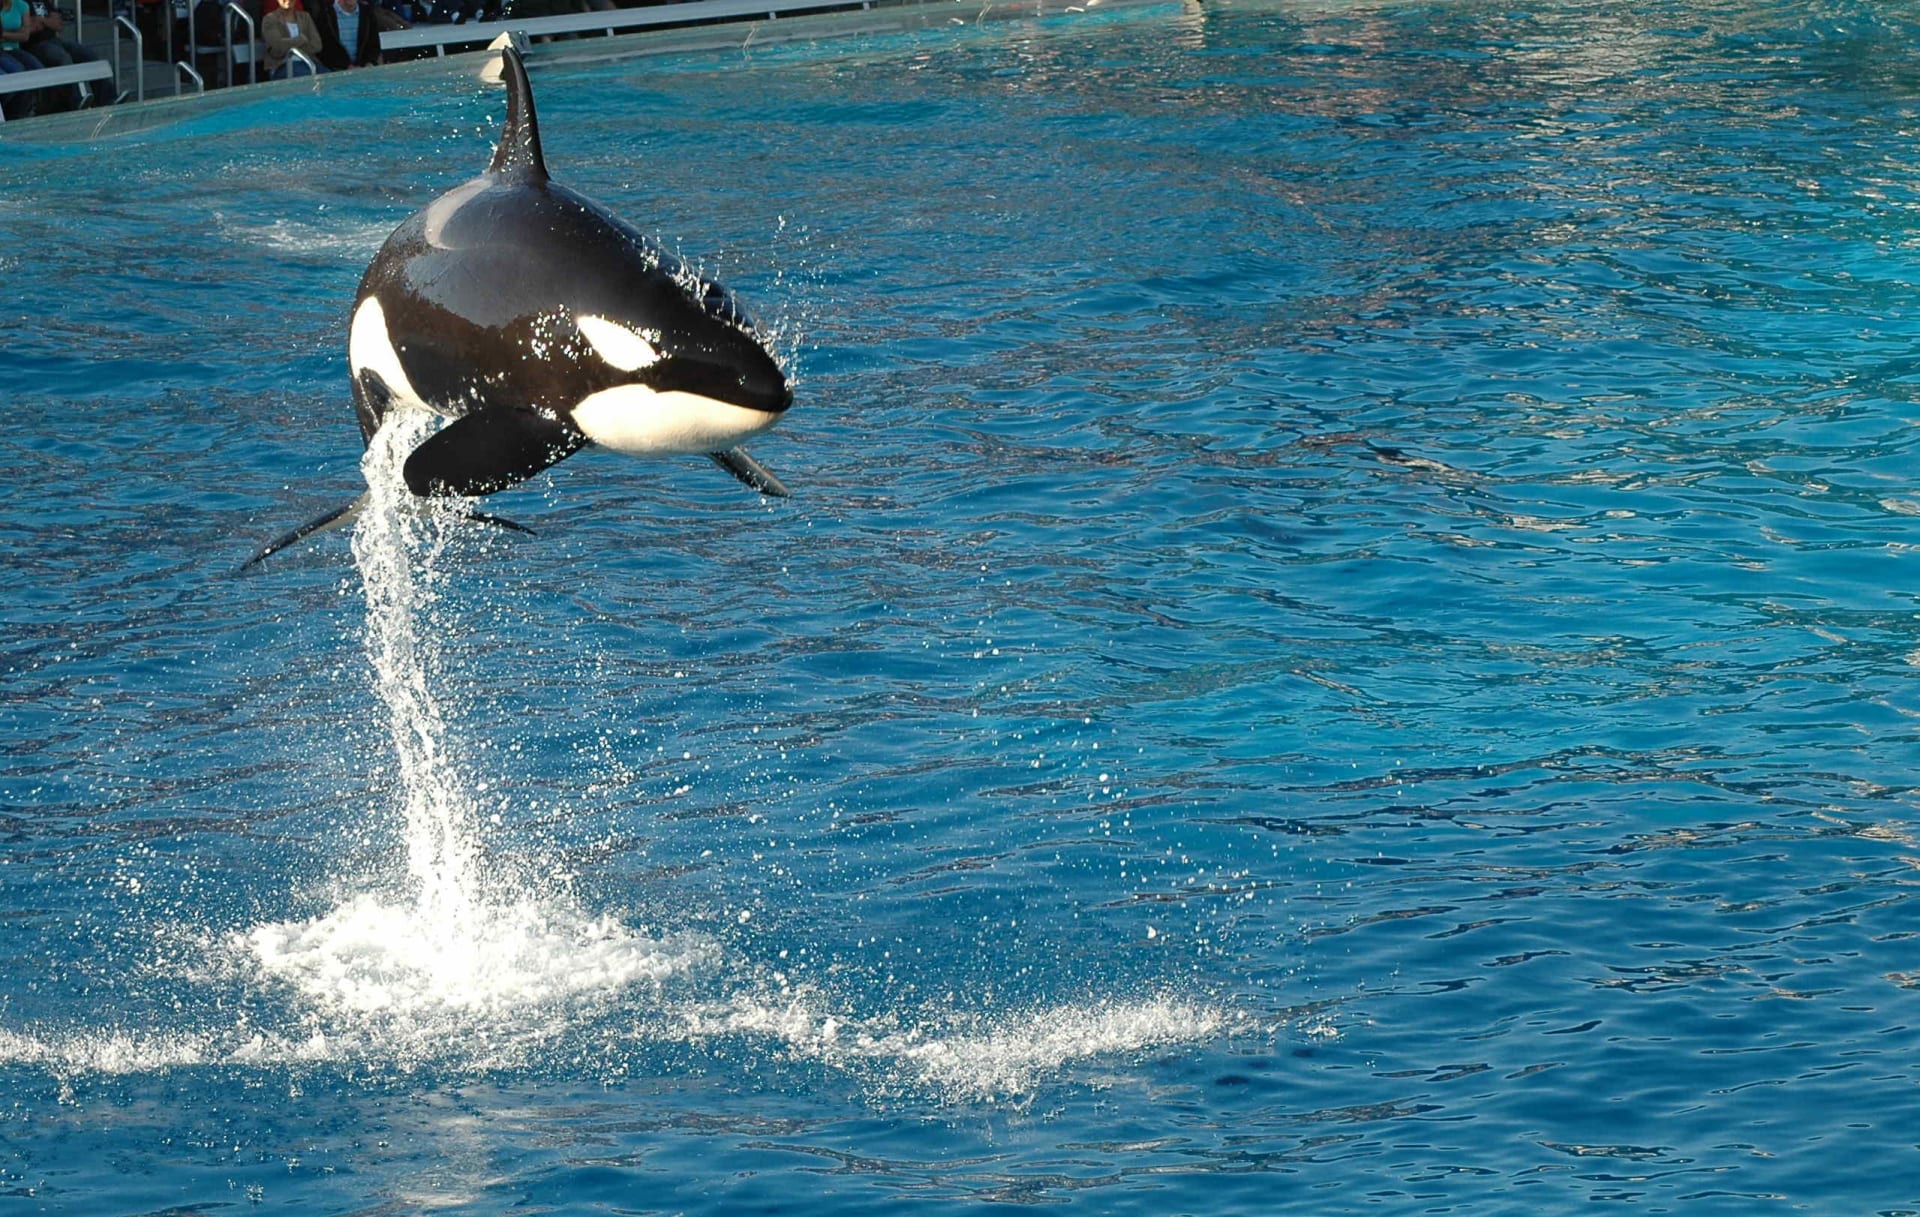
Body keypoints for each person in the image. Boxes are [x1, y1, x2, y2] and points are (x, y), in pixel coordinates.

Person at [21, 0, 103, 109]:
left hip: (54, 40)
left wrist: (41, 20)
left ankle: (107, 99)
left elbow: (58, 24)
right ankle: (78, 100)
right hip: (34, 44)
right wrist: (47, 21)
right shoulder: (21, 3)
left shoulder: (44, 2)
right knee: (62, 58)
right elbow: (26, 29)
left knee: (88, 54)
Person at [0, 0, 45, 119]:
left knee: (39, 70)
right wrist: (14, 33)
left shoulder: (21, 5)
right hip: (2, 51)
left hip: (14, 49)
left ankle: (27, 111)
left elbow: (25, 35)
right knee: (16, 74)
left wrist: (4, 34)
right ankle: (12, 115)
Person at [261, 0, 326, 77]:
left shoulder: (305, 17)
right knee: (305, 75)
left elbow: (317, 45)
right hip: (282, 66)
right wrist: (301, 39)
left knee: (331, 78)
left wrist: (288, 46)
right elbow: (277, 49)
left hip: (308, 62)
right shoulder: (270, 19)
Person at [309, 0, 377, 70]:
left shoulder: (367, 12)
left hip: (364, 70)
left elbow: (374, 45)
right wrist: (346, 66)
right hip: (335, 70)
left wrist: (369, 64)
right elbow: (324, 50)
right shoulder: (325, 14)